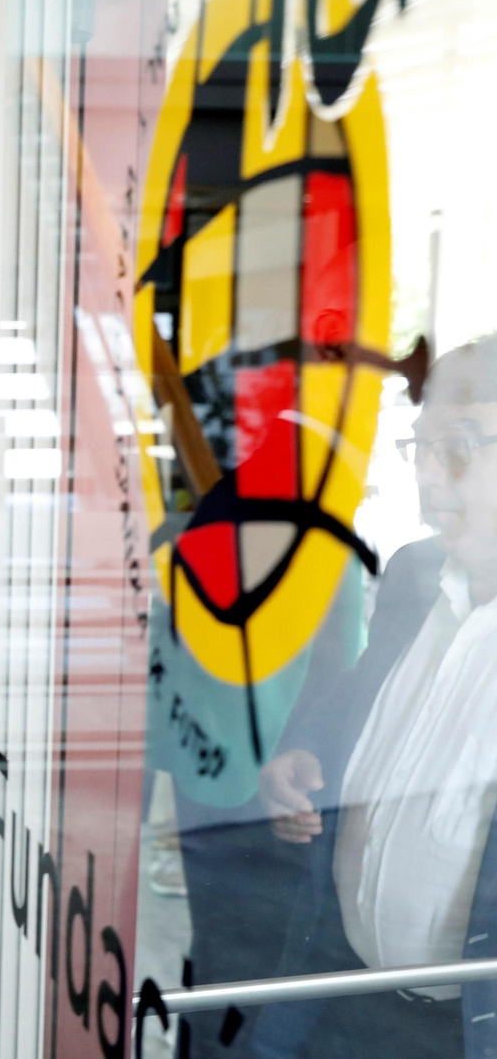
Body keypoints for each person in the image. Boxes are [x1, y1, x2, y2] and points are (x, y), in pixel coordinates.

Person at [254, 337, 497, 1059]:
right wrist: (304, 757)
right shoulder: (415, 577)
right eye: (418, 444)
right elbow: (368, 698)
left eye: (457, 446)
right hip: (338, 995)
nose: (425, 471)